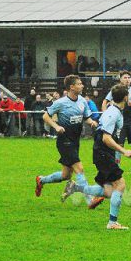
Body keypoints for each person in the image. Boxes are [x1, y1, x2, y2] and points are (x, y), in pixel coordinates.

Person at [64, 84, 131, 230]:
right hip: (103, 153)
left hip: (103, 153)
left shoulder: (113, 110)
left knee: (108, 191)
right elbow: (105, 138)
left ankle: (75, 187)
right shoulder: (113, 113)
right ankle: (112, 223)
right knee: (120, 184)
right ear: (125, 98)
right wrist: (123, 151)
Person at [36, 75, 103, 209]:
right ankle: (90, 200)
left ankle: (41, 180)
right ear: (71, 87)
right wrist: (56, 126)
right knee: (79, 169)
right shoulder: (61, 102)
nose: (82, 86)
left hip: (75, 140)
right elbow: (45, 116)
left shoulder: (82, 101)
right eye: (79, 84)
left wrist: (92, 123)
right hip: (64, 141)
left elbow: (87, 117)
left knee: (65, 175)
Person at [102, 71, 131, 176]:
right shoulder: (115, 90)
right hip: (120, 119)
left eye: (129, 77)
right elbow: (105, 102)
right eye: (125, 77)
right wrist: (105, 113)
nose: (127, 79)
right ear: (120, 79)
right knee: (119, 145)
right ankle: (117, 169)